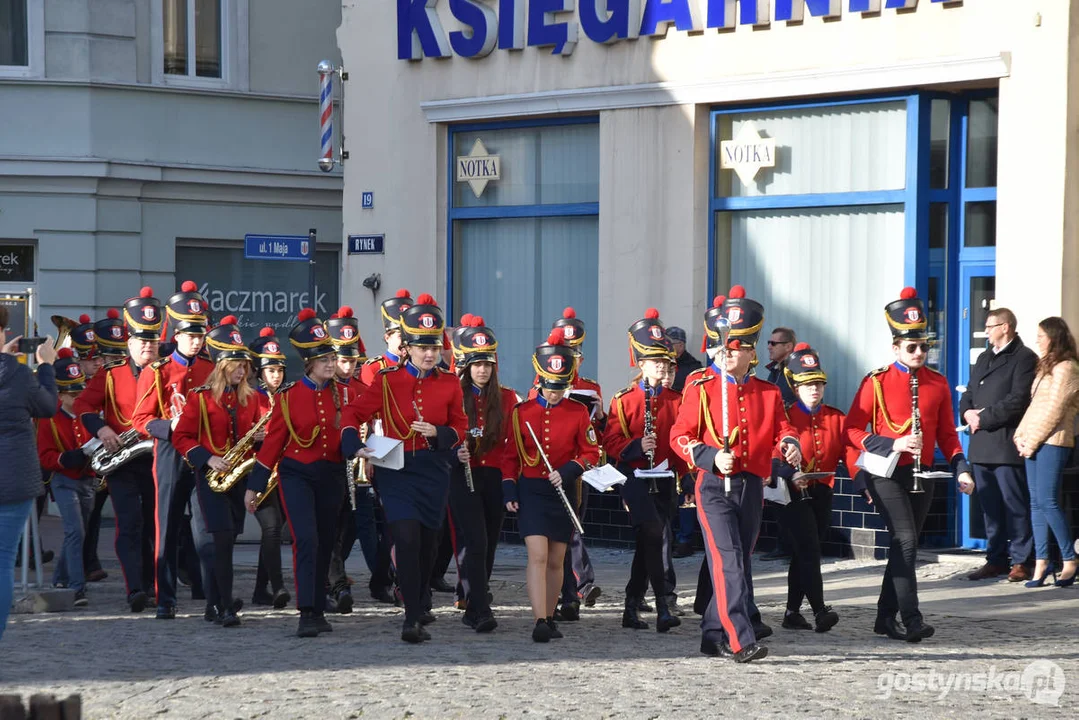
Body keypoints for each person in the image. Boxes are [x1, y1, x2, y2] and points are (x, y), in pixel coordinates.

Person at [670, 286, 801, 663]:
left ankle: (712, 632)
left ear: (751, 352)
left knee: (737, 561)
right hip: (712, 487)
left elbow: (780, 429)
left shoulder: (768, 392)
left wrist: (789, 443)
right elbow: (679, 437)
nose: (727, 353)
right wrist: (711, 457)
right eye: (722, 346)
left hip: (750, 485)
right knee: (727, 560)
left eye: (736, 347)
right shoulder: (701, 387)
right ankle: (740, 637)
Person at [844, 287, 974, 643]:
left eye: (924, 347)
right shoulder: (877, 381)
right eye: (912, 347)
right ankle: (912, 618)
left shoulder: (938, 383)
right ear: (896, 348)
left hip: (924, 472)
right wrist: (893, 443)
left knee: (906, 544)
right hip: (885, 471)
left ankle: (884, 617)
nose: (920, 353)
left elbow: (948, 433)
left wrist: (961, 466)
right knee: (905, 541)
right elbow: (851, 430)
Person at [342, 294, 467, 644]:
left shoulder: (450, 382)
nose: (429, 354)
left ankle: (420, 597)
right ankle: (412, 617)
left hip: (433, 470)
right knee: (406, 537)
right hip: (395, 469)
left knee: (428, 543)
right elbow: (354, 414)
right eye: (421, 347)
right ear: (407, 348)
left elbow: (460, 425)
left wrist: (439, 434)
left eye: (434, 348)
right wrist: (353, 443)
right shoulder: (386, 380)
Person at [245, 308, 347, 638]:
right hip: (297, 474)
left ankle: (319, 605)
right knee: (306, 538)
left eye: (332, 357)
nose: (330, 364)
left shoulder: (342, 394)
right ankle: (306, 610)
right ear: (308, 362)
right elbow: (273, 444)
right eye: (323, 359)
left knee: (326, 541)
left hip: (331, 474)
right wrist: (255, 486)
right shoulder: (288, 398)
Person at [504, 328, 600, 642]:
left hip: (563, 492)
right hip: (531, 490)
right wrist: (509, 489)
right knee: (538, 556)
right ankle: (539, 619)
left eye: (560, 387)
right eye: (549, 386)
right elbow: (510, 457)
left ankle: (551, 613)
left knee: (557, 559)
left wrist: (570, 469)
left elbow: (591, 452)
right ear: (540, 379)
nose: (555, 392)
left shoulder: (578, 412)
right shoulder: (522, 413)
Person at [75, 292, 163, 612]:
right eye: (141, 340)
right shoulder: (111, 373)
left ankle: (156, 582)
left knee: (157, 525)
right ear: (129, 342)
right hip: (122, 460)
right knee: (129, 523)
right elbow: (83, 405)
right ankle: (135, 588)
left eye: (152, 341)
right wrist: (101, 429)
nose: (147, 347)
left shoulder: (166, 373)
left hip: (157, 459)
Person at [133, 280, 215, 620]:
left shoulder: (211, 369)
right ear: (176, 335)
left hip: (203, 452)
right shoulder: (159, 370)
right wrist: (172, 429)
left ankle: (214, 596)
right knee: (165, 525)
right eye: (190, 335)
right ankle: (165, 597)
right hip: (169, 453)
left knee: (206, 527)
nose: (196, 341)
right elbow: (141, 418)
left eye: (200, 335)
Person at [172, 317, 260, 627]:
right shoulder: (200, 397)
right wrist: (207, 458)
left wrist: (260, 439)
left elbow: (258, 432)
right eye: (237, 365)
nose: (242, 371)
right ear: (221, 366)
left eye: (245, 367)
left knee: (228, 540)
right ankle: (225, 606)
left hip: (239, 478)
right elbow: (180, 437)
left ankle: (213, 602)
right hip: (211, 478)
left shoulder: (250, 398)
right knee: (221, 540)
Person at [602, 308, 683, 633]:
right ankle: (663, 605)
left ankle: (631, 604)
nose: (661, 366)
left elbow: (682, 437)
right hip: (634, 478)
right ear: (641, 364)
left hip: (665, 478)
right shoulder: (624, 400)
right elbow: (610, 440)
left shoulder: (677, 400)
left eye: (664, 360)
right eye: (654, 361)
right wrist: (637, 446)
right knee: (652, 532)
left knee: (649, 541)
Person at [959, 307, 1037, 582]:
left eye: (990, 326)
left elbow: (1017, 400)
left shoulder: (1024, 358)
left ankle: (1021, 560)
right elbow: (969, 391)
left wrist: (984, 418)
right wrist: (966, 412)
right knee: (990, 507)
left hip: (1005, 444)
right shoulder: (984, 357)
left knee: (1014, 505)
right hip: (980, 445)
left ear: (1006, 327)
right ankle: (995, 559)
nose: (987, 331)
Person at [447, 315, 511, 632]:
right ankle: (481, 608)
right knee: (476, 541)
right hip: (463, 476)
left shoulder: (507, 398)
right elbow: (442, 434)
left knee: (489, 543)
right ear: (466, 366)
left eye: (487, 364)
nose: (482, 370)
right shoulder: (454, 395)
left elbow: (511, 444)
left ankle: (475, 603)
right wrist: (453, 451)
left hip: (494, 478)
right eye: (476, 364)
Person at [778, 344, 845, 633]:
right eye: (807, 384)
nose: (814, 389)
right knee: (809, 549)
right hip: (789, 492)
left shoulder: (835, 417)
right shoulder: (786, 418)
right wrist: (789, 473)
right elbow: (773, 451)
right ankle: (819, 610)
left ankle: (792, 612)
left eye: (818, 383)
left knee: (804, 553)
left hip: (821, 490)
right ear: (795, 387)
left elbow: (849, 452)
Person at [0, 309, 58, 642]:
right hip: (13, 478)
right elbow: (48, 407)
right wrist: (47, 365)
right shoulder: (19, 374)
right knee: (4, 559)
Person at [1013, 316, 1079, 589]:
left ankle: (1069, 558)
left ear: (1054, 336)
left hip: (1054, 441)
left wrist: (1033, 440)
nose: (1037, 340)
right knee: (1036, 502)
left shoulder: (1068, 368)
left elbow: (1055, 410)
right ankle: (1041, 562)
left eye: (1041, 335)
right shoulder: (1045, 367)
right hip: (1033, 440)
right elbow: (1035, 405)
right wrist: (1020, 434)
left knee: (1049, 501)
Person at [360, 288, 413, 605]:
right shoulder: (374, 367)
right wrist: (369, 452)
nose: (404, 343)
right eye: (399, 336)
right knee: (393, 520)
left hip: (413, 446)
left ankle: (392, 576)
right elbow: (369, 414)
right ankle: (387, 578)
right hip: (384, 445)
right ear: (388, 335)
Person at [550, 307, 603, 619]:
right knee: (567, 531)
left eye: (578, 352)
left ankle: (574, 592)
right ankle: (580, 585)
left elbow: (599, 431)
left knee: (574, 528)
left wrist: (599, 413)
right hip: (555, 468)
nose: (574, 357)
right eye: (568, 351)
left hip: (582, 466)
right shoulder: (543, 383)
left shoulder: (591, 386)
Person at [37, 349, 95, 606]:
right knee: (75, 530)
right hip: (63, 480)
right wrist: (69, 457)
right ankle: (76, 587)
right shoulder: (49, 420)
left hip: (87, 480)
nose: (79, 396)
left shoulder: (88, 415)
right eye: (73, 393)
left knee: (78, 533)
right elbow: (45, 456)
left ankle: (60, 578)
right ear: (60, 395)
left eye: (80, 391)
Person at [325, 306, 368, 615]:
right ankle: (336, 583)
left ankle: (335, 578)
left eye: (352, 360)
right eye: (343, 360)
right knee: (331, 526)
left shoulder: (364, 390)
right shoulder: (323, 389)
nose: (349, 366)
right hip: (330, 466)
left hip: (359, 470)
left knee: (350, 525)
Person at [247, 327, 291, 609]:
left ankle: (260, 588)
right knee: (272, 529)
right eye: (270, 370)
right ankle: (278, 587)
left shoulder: (288, 395)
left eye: (279, 370)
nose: (276, 375)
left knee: (274, 531)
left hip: (284, 471)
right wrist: (253, 435)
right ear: (259, 371)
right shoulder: (250, 396)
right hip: (258, 469)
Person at [68, 313, 109, 584]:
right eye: (89, 359)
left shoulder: (107, 379)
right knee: (84, 516)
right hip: (78, 457)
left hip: (105, 455)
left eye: (97, 358)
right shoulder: (73, 385)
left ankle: (90, 559)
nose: (95, 363)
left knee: (94, 512)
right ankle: (82, 562)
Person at [763, 327, 798, 407]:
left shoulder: (798, 371)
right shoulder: (775, 370)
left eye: (773, 343)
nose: (769, 347)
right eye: (769, 343)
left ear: (788, 347)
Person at [667, 326, 702, 394]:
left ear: (681, 345)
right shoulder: (663, 362)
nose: (666, 346)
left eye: (670, 344)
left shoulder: (694, 367)